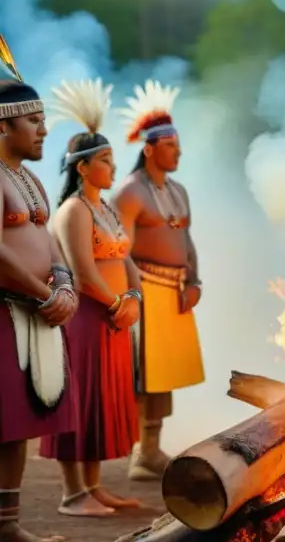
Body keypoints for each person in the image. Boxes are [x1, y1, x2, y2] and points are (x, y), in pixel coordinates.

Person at [38, 78, 143, 516]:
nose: (113, 169)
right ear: (81, 167)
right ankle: (71, 494)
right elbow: (82, 273)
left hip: (113, 318)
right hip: (85, 320)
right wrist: (118, 303)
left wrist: (134, 293)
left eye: (113, 160)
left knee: (101, 401)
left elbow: (127, 257)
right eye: (104, 161)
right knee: (78, 399)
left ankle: (94, 486)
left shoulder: (105, 208)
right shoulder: (73, 211)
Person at [0, 42, 79, 542]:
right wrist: (43, 293)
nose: (45, 130)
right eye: (34, 120)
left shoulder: (28, 179)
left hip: (34, 312)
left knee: (14, 426)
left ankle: (6, 524)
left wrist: (64, 282)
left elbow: (47, 239)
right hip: (7, 310)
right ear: (2, 125)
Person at [112, 80, 203, 481]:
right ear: (149, 149)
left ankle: (151, 450)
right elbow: (118, 250)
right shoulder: (129, 193)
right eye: (171, 145)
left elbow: (186, 238)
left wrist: (195, 281)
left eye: (178, 144)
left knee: (164, 373)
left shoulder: (179, 191)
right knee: (143, 374)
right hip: (143, 290)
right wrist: (130, 294)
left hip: (175, 291)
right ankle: (139, 452)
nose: (178, 151)